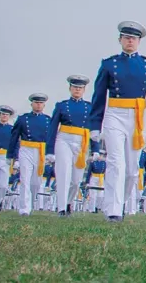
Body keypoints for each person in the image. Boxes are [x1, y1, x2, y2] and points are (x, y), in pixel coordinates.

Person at [89, 21, 146, 222]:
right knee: (116, 162)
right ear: (120, 40)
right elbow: (98, 96)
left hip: (135, 118)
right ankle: (113, 210)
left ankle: (120, 203)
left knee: (133, 170)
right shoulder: (109, 64)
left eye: (133, 38)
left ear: (139, 41)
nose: (130, 41)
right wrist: (94, 125)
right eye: (126, 37)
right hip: (114, 113)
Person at [47, 75, 94, 217]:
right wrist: (50, 150)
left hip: (82, 141)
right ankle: (61, 207)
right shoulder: (61, 106)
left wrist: (96, 149)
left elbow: (94, 129)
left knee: (76, 179)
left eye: (80, 88)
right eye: (75, 87)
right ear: (70, 88)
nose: (77, 90)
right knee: (63, 172)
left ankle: (68, 201)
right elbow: (52, 128)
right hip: (64, 139)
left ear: (84, 90)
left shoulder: (89, 107)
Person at [10, 93, 52, 215]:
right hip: (26, 148)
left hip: (40, 150)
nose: (38, 105)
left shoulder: (48, 120)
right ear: (32, 104)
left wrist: (50, 153)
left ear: (44, 105)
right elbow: (14, 137)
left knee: (36, 182)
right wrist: (12, 156)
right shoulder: (23, 119)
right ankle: (24, 208)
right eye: (36, 102)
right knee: (25, 179)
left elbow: (51, 138)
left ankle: (32, 202)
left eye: (40, 103)